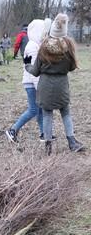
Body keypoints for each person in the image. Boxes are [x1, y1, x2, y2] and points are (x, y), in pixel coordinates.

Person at [25, 13, 84, 155]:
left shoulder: (43, 47)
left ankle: (48, 147)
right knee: (66, 113)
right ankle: (72, 142)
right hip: (62, 85)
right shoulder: (68, 47)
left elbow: (35, 71)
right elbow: (71, 67)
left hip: (45, 86)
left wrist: (27, 65)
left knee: (47, 115)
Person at [5, 18, 51, 147]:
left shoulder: (35, 45)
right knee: (33, 110)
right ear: (37, 31)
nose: (45, 34)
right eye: (43, 31)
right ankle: (13, 130)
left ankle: (43, 133)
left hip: (32, 82)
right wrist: (39, 87)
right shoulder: (33, 47)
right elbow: (33, 70)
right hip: (31, 83)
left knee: (39, 110)